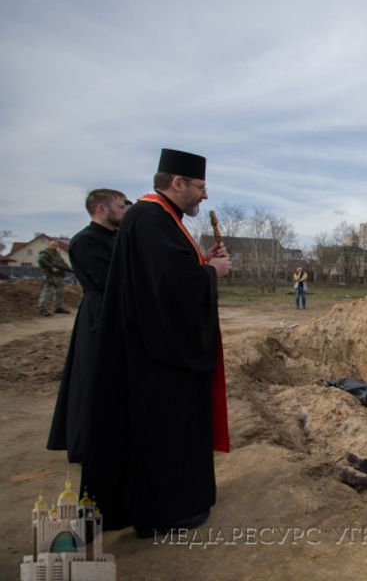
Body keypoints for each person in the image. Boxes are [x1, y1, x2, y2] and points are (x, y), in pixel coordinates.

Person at [80, 148, 232, 536]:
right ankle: (168, 511)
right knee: (165, 433)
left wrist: (201, 263)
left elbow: (165, 275)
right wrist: (211, 273)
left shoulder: (157, 218)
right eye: (200, 186)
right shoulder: (151, 218)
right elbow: (170, 289)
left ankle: (166, 506)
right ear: (178, 182)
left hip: (151, 349)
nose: (205, 195)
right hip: (159, 357)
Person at [47, 189, 129, 463]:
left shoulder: (116, 237)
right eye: (120, 206)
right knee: (92, 378)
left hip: (118, 310)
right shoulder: (86, 241)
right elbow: (110, 280)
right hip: (99, 315)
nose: (124, 210)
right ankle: (87, 445)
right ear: (101, 208)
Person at [37, 239, 71, 316]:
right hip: (49, 276)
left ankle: (58, 308)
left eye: (56, 245)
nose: (55, 246)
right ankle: (42, 309)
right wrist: (51, 267)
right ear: (48, 245)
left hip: (58, 276)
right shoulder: (45, 253)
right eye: (53, 245)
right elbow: (40, 260)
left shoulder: (57, 254)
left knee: (60, 293)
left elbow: (63, 264)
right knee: (46, 293)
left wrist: (71, 270)